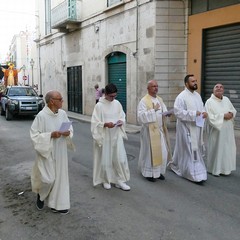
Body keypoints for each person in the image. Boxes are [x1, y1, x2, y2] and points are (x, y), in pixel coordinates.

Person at [30, 90, 74, 215]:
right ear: (52, 101)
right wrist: (50, 135)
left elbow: (69, 127)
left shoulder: (62, 114)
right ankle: (41, 194)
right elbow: (34, 136)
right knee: (48, 179)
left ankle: (58, 204)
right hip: (46, 151)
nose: (62, 101)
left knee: (60, 178)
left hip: (60, 150)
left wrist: (68, 132)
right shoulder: (41, 116)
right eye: (60, 99)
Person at [91, 83, 130, 191]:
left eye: (115, 96)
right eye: (111, 96)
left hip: (116, 135)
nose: (113, 98)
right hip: (105, 136)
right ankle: (106, 180)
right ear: (106, 94)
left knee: (120, 159)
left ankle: (120, 181)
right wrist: (104, 124)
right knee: (106, 160)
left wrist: (121, 121)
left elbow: (122, 115)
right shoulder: (99, 106)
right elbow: (94, 122)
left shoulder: (117, 103)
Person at [170, 74, 208, 182]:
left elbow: (202, 106)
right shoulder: (181, 97)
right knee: (189, 149)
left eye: (196, 81)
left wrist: (204, 112)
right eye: (193, 81)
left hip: (196, 127)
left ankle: (192, 168)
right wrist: (193, 113)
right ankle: (191, 172)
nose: (195, 83)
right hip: (186, 128)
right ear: (186, 84)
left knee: (194, 149)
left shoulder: (197, 95)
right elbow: (178, 112)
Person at [137, 80, 172, 182]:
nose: (156, 88)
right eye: (153, 86)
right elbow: (140, 117)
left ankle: (159, 172)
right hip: (149, 131)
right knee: (150, 153)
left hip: (160, 130)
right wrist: (153, 110)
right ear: (148, 88)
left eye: (157, 86)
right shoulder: (144, 101)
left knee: (163, 152)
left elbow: (163, 112)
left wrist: (167, 114)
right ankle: (149, 173)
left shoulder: (160, 100)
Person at [205, 83, 237, 176]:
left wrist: (231, 114)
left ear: (223, 90)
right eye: (217, 87)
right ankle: (215, 169)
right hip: (217, 131)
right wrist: (223, 116)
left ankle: (225, 169)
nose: (219, 88)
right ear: (213, 90)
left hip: (227, 130)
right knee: (217, 149)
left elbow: (233, 110)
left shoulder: (226, 99)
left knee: (227, 148)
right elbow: (209, 117)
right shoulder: (209, 102)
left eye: (221, 87)